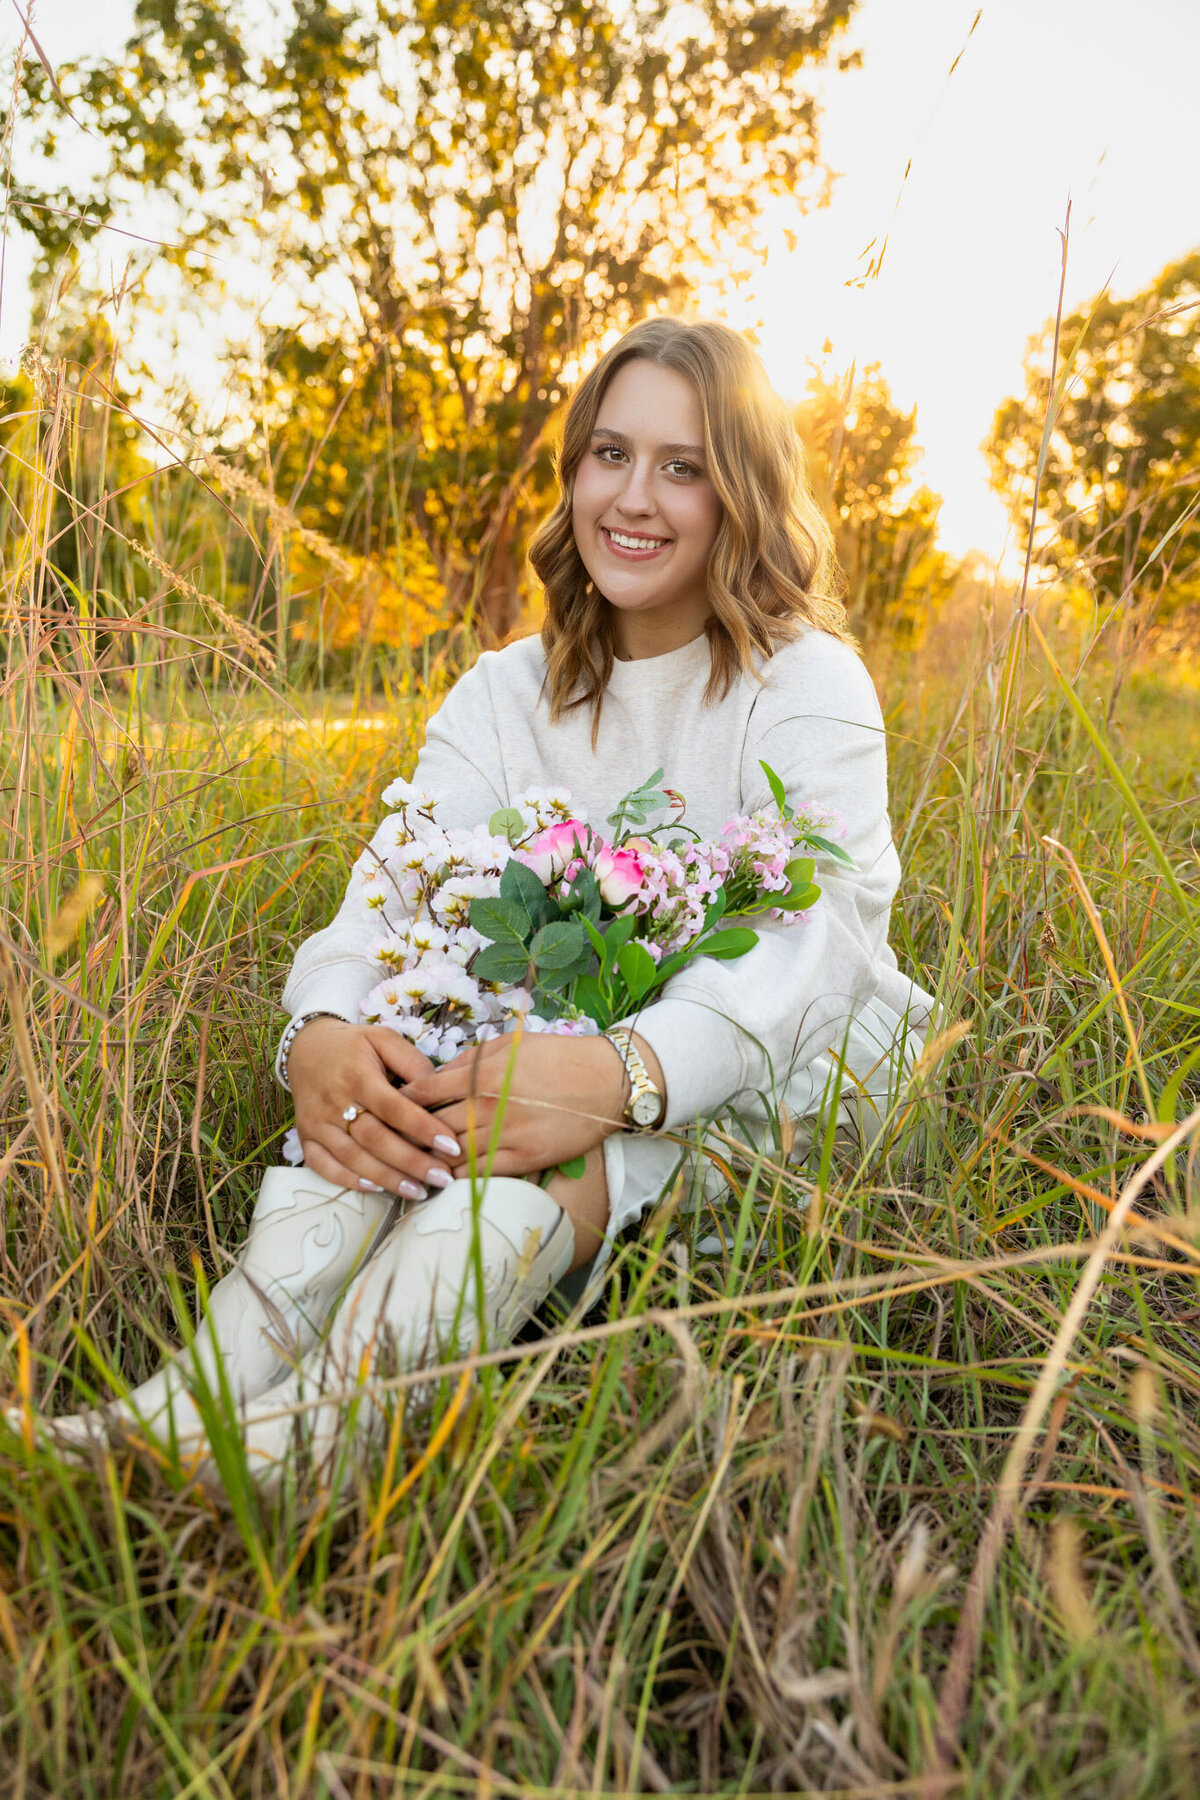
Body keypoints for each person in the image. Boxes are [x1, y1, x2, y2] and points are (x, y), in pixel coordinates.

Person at [47, 317, 933, 1493]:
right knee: (405, 1087)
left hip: (776, 1064)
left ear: (744, 495)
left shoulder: (805, 680)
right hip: (527, 1048)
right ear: (572, 474)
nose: (635, 496)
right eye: (608, 453)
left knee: (532, 1148)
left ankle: (322, 1430)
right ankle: (177, 1409)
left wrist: (619, 1076)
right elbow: (395, 886)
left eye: (684, 466)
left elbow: (808, 949)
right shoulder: (507, 690)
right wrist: (320, 1026)